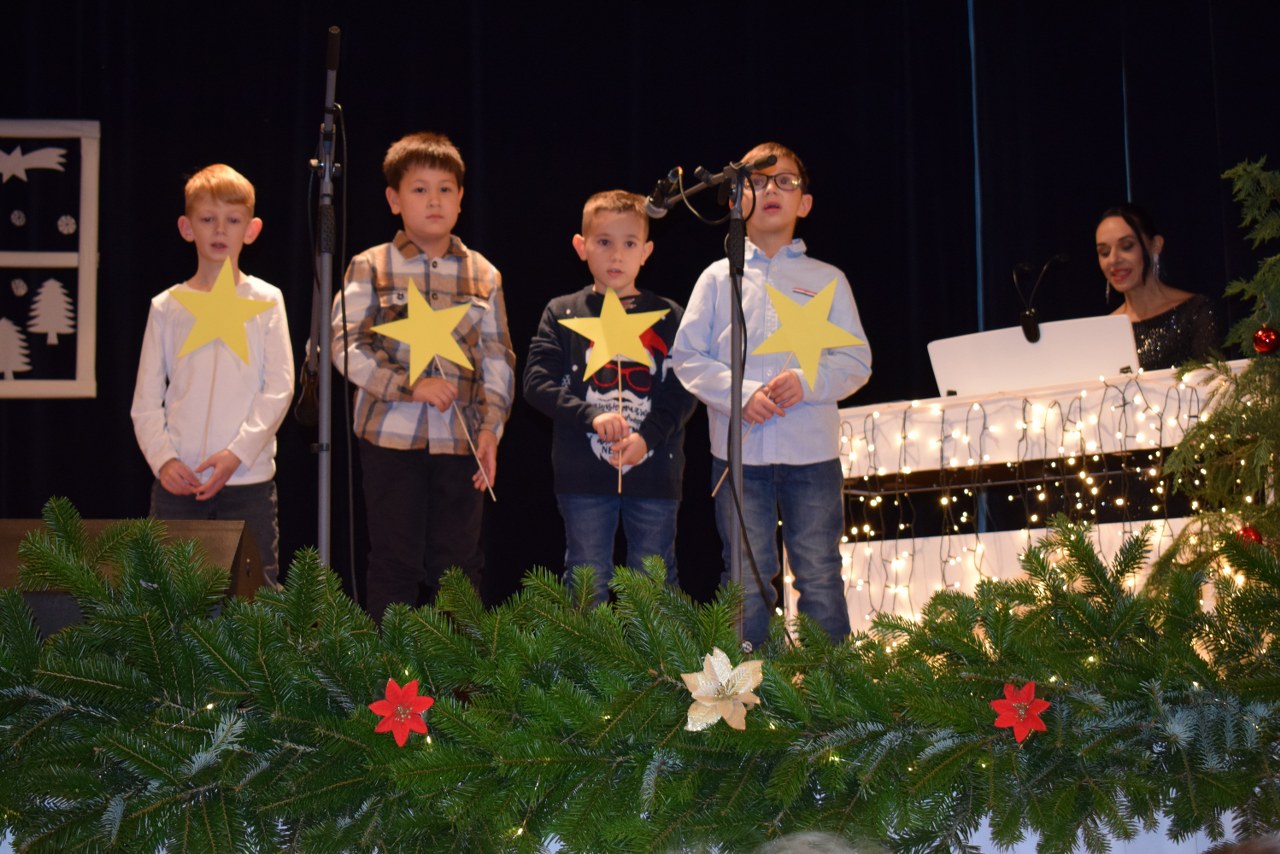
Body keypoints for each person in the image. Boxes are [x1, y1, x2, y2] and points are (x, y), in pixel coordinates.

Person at [671, 142, 872, 647]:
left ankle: (833, 687)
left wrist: (807, 382)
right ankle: (748, 687)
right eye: (757, 182)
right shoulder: (717, 279)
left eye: (785, 181)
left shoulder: (827, 279)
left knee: (819, 572)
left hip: (812, 456)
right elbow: (687, 357)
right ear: (735, 199)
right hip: (740, 458)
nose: (771, 190)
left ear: (805, 202)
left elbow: (856, 362)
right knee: (746, 577)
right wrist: (737, 394)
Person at [332, 131, 515, 623]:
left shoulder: (484, 274)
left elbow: (498, 358)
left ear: (461, 198)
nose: (434, 200)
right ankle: (388, 669)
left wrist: (491, 430)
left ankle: (458, 672)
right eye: (419, 189)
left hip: (461, 442)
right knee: (394, 562)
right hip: (390, 439)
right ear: (394, 199)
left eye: (445, 189)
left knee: (459, 567)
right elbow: (345, 345)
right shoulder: (370, 266)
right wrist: (409, 386)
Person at [523, 190, 696, 604]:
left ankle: (656, 652)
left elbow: (684, 390)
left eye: (629, 243)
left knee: (652, 583)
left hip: (654, 476)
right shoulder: (563, 312)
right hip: (583, 477)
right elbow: (536, 382)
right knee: (587, 578)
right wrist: (591, 416)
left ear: (646, 251)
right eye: (604, 242)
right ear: (581, 246)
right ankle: (586, 651)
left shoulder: (670, 315)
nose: (617, 255)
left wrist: (647, 438)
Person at [131, 164, 294, 586]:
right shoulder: (167, 306)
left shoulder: (267, 300)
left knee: (254, 592)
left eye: (233, 220)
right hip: (179, 483)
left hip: (248, 481)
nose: (220, 230)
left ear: (251, 230)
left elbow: (279, 389)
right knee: (170, 592)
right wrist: (164, 460)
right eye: (208, 219)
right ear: (187, 228)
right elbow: (145, 402)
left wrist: (237, 453)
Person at [1096, 204, 1222, 370]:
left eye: (1127, 246)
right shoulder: (1104, 329)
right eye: (1104, 252)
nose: (1113, 260)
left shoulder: (1194, 311)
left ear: (1155, 244)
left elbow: (1211, 380)